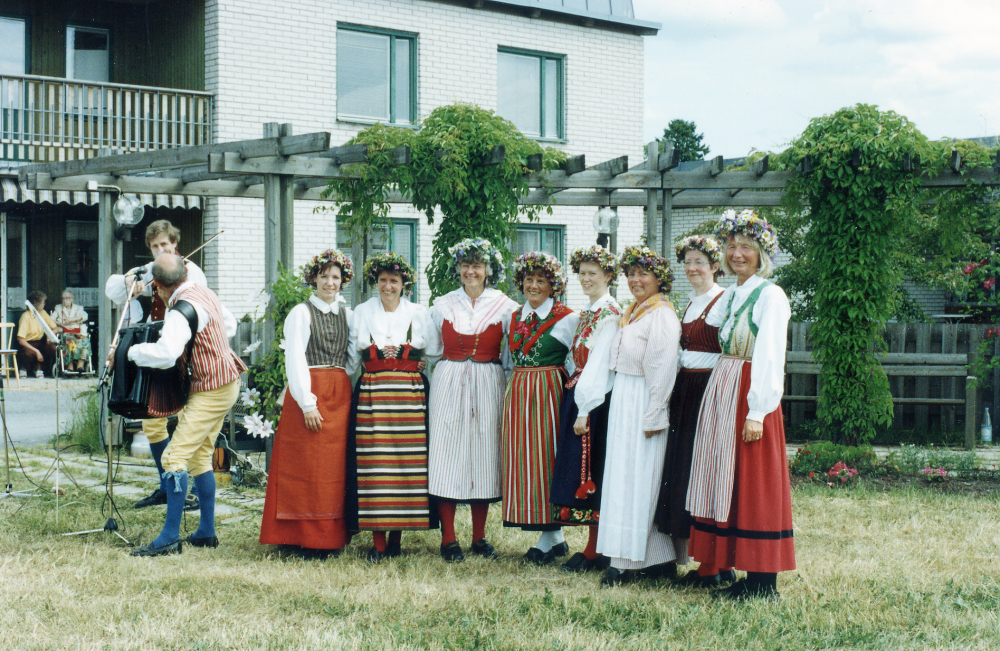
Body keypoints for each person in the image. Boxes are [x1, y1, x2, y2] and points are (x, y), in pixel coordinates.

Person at [686, 210, 795, 601]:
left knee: (754, 481)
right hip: (725, 387)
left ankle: (764, 582)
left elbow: (769, 356)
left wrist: (757, 411)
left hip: (749, 391)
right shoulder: (733, 294)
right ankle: (736, 569)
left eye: (747, 246)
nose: (737, 253)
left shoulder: (771, 295)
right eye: (731, 246)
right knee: (727, 479)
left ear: (762, 252)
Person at [124, 253, 245, 556]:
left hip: (212, 389)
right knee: (200, 456)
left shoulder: (180, 310)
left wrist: (133, 352)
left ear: (158, 287)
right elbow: (228, 324)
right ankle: (206, 532)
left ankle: (168, 538)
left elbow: (166, 354)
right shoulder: (202, 291)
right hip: (227, 380)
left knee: (173, 459)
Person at [259, 249, 359, 559]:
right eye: (324, 276)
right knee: (301, 466)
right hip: (309, 391)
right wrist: (306, 402)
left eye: (336, 277)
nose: (330, 282)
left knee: (331, 468)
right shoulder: (301, 313)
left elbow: (353, 359)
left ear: (343, 282)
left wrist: (339, 379)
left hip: (339, 393)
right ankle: (292, 536)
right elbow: (295, 357)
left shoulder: (349, 315)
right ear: (313, 278)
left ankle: (327, 537)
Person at [105, 219, 209, 512]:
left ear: (175, 244)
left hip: (185, 351)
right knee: (152, 421)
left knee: (189, 421)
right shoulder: (149, 271)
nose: (161, 249)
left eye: (166, 244)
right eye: (155, 246)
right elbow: (112, 291)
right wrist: (130, 285)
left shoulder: (192, 271)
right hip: (158, 348)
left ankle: (191, 492)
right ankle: (166, 485)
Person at [427, 238, 518, 562]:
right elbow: (433, 348)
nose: (471, 271)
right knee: (447, 451)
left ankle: (479, 536)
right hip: (450, 381)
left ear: (487, 270)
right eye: (466, 265)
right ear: (459, 269)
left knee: (483, 452)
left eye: (477, 265)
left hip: (488, 381)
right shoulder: (442, 305)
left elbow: (510, 352)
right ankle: (448, 538)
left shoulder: (504, 306)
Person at [596, 246, 681, 587]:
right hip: (625, 397)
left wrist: (655, 413)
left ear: (659, 278)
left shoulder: (661, 315)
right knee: (624, 476)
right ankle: (650, 557)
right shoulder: (632, 311)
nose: (635, 280)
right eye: (630, 274)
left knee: (641, 477)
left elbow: (662, 369)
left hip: (646, 399)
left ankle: (632, 560)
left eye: (643, 274)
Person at [347, 252, 439, 563]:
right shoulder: (362, 311)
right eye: (383, 280)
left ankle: (397, 536)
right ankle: (378, 542)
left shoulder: (418, 311)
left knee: (406, 463)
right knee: (376, 462)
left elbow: (432, 349)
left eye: (394, 281)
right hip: (373, 392)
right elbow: (352, 355)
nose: (388, 286)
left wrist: (417, 361)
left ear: (404, 284)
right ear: (376, 282)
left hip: (409, 395)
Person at [652, 235, 733, 588]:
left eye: (700, 261)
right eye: (687, 262)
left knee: (706, 471)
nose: (692, 268)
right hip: (685, 390)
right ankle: (705, 561)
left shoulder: (724, 300)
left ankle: (715, 565)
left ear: (715, 266)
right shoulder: (688, 303)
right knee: (686, 470)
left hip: (709, 389)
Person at [502, 251, 579, 565]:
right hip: (520, 391)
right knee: (526, 462)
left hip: (549, 392)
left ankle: (547, 537)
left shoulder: (567, 317)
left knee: (547, 459)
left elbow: (576, 362)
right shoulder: (516, 315)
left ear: (554, 285)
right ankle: (555, 538)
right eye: (529, 279)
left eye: (541, 281)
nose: (533, 286)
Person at [550, 245, 621, 573]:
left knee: (591, 471)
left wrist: (584, 410)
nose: (587, 278)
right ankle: (591, 547)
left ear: (609, 276)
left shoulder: (609, 313)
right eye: (583, 272)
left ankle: (596, 550)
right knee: (582, 470)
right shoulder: (590, 311)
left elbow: (600, 366)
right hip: (579, 394)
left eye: (594, 273)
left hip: (594, 401)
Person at [16, 291, 58, 379]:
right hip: (28, 343)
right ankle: (24, 368)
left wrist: (49, 336)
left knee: (52, 348)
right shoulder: (26, 316)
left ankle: (39, 368)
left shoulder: (43, 313)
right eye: (43, 302)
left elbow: (55, 328)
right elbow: (21, 340)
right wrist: (36, 351)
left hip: (40, 341)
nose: (44, 304)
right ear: (36, 304)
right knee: (28, 353)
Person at [51, 289, 92, 373]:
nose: (65, 300)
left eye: (67, 298)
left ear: (72, 299)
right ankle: (70, 365)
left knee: (84, 341)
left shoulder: (78, 308)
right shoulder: (58, 308)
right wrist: (61, 324)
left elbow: (85, 316)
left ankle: (80, 365)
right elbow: (51, 319)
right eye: (63, 298)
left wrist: (73, 319)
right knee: (70, 341)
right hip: (65, 331)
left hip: (78, 331)